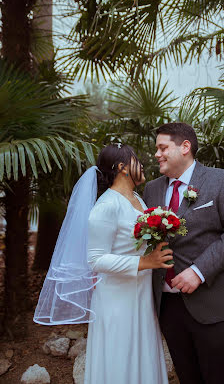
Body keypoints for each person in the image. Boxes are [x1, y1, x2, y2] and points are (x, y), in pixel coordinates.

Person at [34, 143, 172, 383]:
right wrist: (145, 262)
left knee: (142, 351)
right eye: (136, 160)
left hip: (140, 294)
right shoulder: (106, 206)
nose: (142, 164)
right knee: (121, 355)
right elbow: (96, 259)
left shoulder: (137, 198)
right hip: (116, 299)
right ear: (122, 168)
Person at [143, 122, 224, 384]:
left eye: (162, 148)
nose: (157, 154)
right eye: (156, 149)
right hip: (169, 306)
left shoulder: (220, 180)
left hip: (215, 303)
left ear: (185, 147)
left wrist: (199, 271)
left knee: (219, 377)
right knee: (188, 376)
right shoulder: (152, 190)